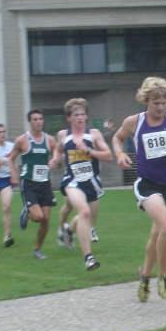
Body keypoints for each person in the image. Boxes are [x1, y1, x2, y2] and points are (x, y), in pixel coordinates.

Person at [112, 77, 166, 302]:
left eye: (164, 103)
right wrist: (120, 154)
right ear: (146, 101)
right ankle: (164, 276)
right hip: (147, 183)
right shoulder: (135, 121)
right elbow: (117, 138)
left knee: (158, 234)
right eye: (155, 103)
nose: (160, 108)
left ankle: (144, 277)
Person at [50, 98, 113, 270]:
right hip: (72, 181)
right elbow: (58, 148)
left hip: (91, 182)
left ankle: (69, 231)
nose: (80, 117)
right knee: (84, 212)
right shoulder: (63, 135)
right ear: (69, 118)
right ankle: (89, 257)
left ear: (86, 117)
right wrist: (55, 158)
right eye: (76, 115)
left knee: (85, 216)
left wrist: (88, 150)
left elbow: (108, 156)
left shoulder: (93, 134)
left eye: (82, 114)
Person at [8, 110, 58, 259]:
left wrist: (56, 160)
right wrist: (14, 175)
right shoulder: (22, 140)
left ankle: (37, 249)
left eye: (41, 119)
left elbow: (57, 153)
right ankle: (27, 212)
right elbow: (11, 159)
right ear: (30, 122)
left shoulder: (50, 140)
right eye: (35, 119)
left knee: (46, 219)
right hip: (29, 183)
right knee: (37, 217)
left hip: (45, 184)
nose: (38, 121)